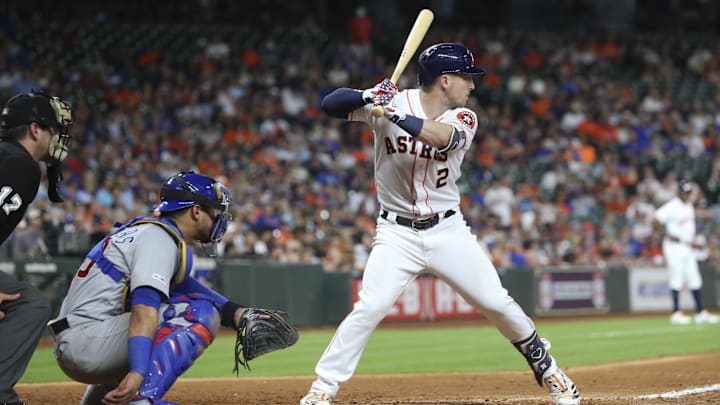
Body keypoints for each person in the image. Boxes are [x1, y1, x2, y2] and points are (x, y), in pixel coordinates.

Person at [300, 43, 580, 405]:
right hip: (396, 233)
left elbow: (442, 139)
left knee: (496, 302)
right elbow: (329, 105)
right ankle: (323, 388)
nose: (472, 86)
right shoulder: (390, 101)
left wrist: (390, 114)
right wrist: (368, 95)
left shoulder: (464, 117)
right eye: (467, 77)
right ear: (445, 80)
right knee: (370, 307)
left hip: (447, 230)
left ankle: (550, 371)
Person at [48, 172, 268, 405]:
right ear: (196, 211)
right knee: (197, 312)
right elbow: (144, 309)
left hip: (84, 338)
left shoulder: (150, 231)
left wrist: (235, 312)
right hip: (89, 344)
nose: (220, 219)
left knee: (181, 309)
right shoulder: (159, 238)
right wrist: (138, 372)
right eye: (216, 212)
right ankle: (143, 400)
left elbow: (183, 287)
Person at [0, 91, 74, 405]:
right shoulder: (20, 165)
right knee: (30, 304)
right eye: (54, 130)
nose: (58, 138)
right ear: (35, 130)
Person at [652, 180, 719, 325]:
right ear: (679, 192)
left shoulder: (688, 205)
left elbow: (688, 228)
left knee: (694, 278)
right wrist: (667, 234)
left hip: (687, 247)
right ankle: (676, 313)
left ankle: (700, 312)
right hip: (673, 246)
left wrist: (694, 242)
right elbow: (655, 219)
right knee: (677, 278)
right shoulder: (672, 206)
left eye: (689, 192)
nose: (687, 195)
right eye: (685, 192)